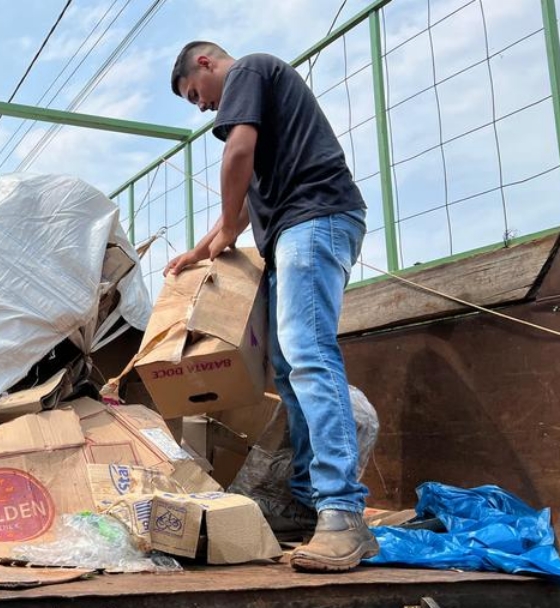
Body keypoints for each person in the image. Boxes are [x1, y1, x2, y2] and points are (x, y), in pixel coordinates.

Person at [166, 41, 378, 572]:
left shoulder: (251, 71)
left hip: (316, 218)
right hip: (292, 229)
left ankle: (342, 512)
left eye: (196, 94)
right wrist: (200, 248)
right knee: (286, 366)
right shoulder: (260, 112)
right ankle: (307, 502)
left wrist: (230, 226)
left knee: (308, 353)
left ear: (208, 64)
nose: (202, 107)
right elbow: (237, 207)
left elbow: (236, 155)